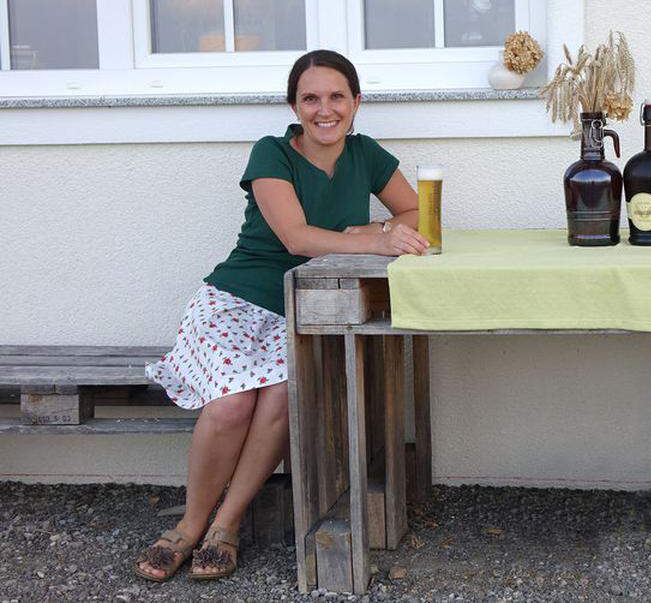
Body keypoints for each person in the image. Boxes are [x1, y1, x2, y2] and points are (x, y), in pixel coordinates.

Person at [134, 50, 430, 582]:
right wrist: (365, 235)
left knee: (280, 395)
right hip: (237, 300)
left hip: (300, 308)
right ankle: (187, 525)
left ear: (356, 103)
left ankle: (225, 526)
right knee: (230, 405)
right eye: (311, 98)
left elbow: (413, 212)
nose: (325, 109)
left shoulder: (366, 154)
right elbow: (295, 237)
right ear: (294, 105)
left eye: (337, 96)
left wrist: (374, 231)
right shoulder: (271, 153)